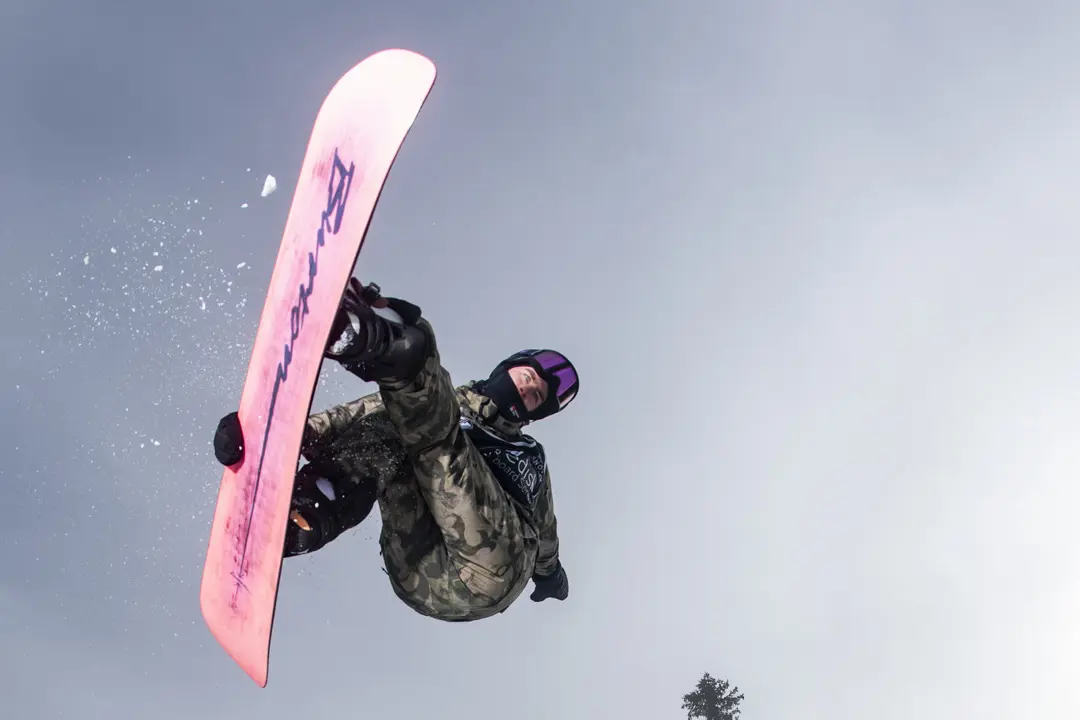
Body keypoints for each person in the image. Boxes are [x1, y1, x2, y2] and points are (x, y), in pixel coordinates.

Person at [212, 278, 579, 622]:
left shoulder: (527, 454)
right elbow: (364, 415)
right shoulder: (440, 407)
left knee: (425, 414)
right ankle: (304, 518)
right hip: (422, 574)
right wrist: (280, 437)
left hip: (497, 560)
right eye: (527, 378)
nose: (528, 392)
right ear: (507, 369)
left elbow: (545, 526)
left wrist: (551, 574)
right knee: (395, 429)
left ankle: (392, 346)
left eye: (536, 398)